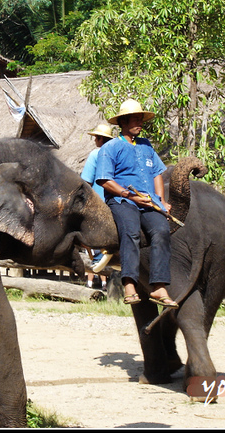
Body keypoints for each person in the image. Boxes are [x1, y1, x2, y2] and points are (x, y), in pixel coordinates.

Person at [95, 99, 177, 308]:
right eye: (135, 120)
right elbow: (104, 180)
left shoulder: (146, 146)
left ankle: (158, 286)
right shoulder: (111, 147)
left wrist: (161, 201)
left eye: (141, 120)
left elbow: (158, 172)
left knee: (161, 230)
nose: (139, 123)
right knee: (130, 232)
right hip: (123, 200)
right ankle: (129, 283)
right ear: (123, 122)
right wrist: (129, 196)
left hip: (148, 202)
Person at [81, 124, 114, 290]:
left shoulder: (96, 154)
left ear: (101, 139)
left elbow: (85, 182)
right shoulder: (117, 154)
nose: (95, 140)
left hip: (97, 207)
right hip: (116, 205)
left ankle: (91, 280)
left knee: (93, 246)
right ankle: (104, 283)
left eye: (96, 137)